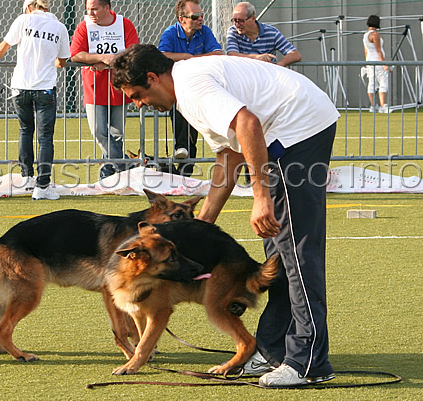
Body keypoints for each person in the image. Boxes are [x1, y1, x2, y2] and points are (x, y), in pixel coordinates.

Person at [111, 44, 339, 388]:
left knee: (296, 252)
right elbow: (230, 160)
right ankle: (275, 351)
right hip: (292, 126)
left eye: (138, 95)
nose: (140, 105)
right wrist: (201, 226)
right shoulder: (187, 90)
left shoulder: (192, 88)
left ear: (154, 78)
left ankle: (308, 362)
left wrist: (260, 195)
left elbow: (248, 122)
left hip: (299, 128)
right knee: (278, 253)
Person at [0, 0, 70, 200]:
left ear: (30, 8)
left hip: (20, 86)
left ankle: (27, 177)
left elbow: (4, 46)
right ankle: (43, 185)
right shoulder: (59, 27)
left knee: (25, 131)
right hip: (44, 87)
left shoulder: (23, 21)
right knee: (45, 137)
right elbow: (62, 61)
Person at [70, 0, 139, 179]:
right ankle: (125, 165)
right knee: (99, 131)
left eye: (94, 9)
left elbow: (133, 50)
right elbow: (76, 53)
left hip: (120, 87)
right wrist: (101, 58)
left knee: (117, 134)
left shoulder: (124, 24)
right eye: (88, 9)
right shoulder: (84, 27)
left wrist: (112, 60)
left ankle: (108, 172)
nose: (90, 13)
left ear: (107, 8)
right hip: (94, 88)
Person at [158, 0, 223, 175]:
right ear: (182, 19)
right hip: (177, 85)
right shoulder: (171, 33)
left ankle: (185, 160)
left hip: (200, 85)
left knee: (195, 120)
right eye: (195, 17)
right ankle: (184, 156)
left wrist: (191, 59)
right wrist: (188, 57)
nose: (200, 19)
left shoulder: (205, 32)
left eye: (201, 15)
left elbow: (218, 53)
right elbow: (163, 55)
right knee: (180, 111)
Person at [226, 1, 301, 67]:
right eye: (234, 20)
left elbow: (295, 54)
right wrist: (257, 57)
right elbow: (232, 55)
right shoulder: (233, 31)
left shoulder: (271, 32)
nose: (237, 24)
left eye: (241, 21)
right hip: (244, 77)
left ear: (253, 18)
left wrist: (279, 65)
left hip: (266, 78)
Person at [363, 15, 389, 113]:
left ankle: (373, 105)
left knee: (372, 83)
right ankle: (383, 105)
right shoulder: (375, 34)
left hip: (370, 60)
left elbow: (366, 51)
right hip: (377, 61)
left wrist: (366, 63)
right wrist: (384, 64)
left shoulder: (365, 35)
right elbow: (379, 51)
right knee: (383, 82)